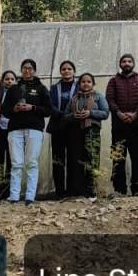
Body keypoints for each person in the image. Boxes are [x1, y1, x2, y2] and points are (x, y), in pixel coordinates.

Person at [1, 59, 50, 206]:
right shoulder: (13, 89)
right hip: (15, 129)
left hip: (34, 129)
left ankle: (30, 197)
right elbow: (5, 110)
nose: (27, 71)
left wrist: (32, 108)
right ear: (21, 70)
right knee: (16, 163)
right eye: (24, 68)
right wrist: (14, 109)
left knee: (31, 163)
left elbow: (48, 110)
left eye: (30, 68)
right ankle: (14, 196)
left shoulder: (41, 88)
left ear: (34, 70)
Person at [105, 53, 138, 196]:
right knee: (118, 157)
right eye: (124, 61)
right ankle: (119, 190)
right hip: (119, 126)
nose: (127, 63)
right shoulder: (113, 81)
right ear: (120, 64)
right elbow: (109, 99)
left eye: (129, 61)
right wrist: (119, 113)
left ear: (133, 64)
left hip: (137, 126)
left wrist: (135, 114)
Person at [63, 73, 110, 198]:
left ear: (93, 84)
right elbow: (65, 116)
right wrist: (74, 115)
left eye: (89, 81)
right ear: (79, 84)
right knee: (77, 160)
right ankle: (77, 191)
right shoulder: (74, 98)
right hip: (75, 132)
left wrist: (90, 113)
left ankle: (92, 191)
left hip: (92, 131)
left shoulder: (98, 97)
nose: (86, 84)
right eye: (83, 82)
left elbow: (105, 113)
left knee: (92, 159)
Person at [48, 61, 78, 198]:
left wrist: (70, 116)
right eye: (64, 69)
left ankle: (72, 190)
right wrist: (62, 115)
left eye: (69, 69)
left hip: (74, 127)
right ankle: (59, 191)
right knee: (58, 160)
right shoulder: (54, 88)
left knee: (73, 159)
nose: (66, 71)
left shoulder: (79, 87)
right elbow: (49, 105)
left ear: (74, 71)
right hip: (57, 126)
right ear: (60, 72)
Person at [0, 70, 18, 193]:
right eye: (7, 79)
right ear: (2, 81)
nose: (9, 81)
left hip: (13, 129)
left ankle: (8, 190)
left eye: (12, 79)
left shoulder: (19, 93)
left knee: (11, 160)